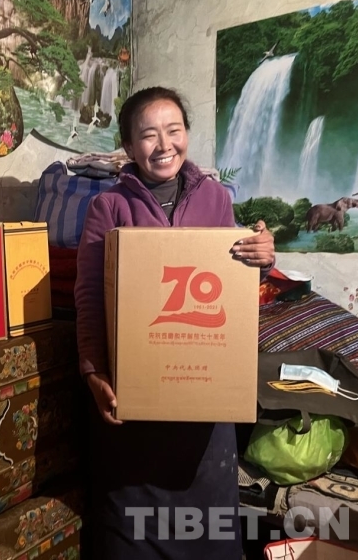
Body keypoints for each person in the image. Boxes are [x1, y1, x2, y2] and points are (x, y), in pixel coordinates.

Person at [74, 86, 275, 559]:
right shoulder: (109, 208)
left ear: (187, 134)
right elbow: (89, 295)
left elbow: (232, 279)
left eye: (174, 130)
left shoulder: (216, 198)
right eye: (148, 135)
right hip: (137, 399)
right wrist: (94, 372)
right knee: (132, 534)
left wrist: (262, 258)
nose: (164, 145)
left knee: (209, 535)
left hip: (203, 407)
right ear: (128, 146)